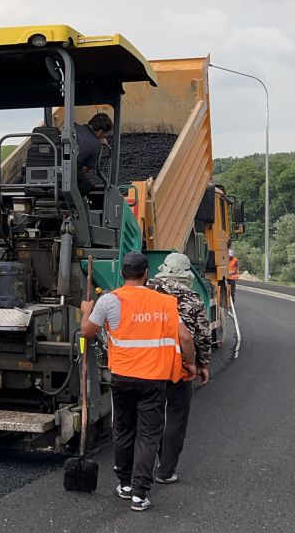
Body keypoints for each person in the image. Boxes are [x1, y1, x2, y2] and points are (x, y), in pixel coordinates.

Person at [80, 252, 195, 512]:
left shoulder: (110, 300)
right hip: (153, 380)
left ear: (123, 274)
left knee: (123, 430)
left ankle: (125, 484)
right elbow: (185, 338)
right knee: (148, 435)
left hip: (121, 378)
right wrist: (193, 364)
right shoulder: (164, 302)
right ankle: (140, 494)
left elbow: (86, 332)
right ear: (146, 274)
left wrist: (86, 311)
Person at [147, 252, 212, 484]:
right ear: (186, 274)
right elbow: (202, 336)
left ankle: (142, 468)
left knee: (149, 416)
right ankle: (165, 470)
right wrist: (201, 364)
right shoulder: (192, 299)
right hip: (181, 365)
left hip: (148, 364)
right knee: (176, 416)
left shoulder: (147, 292)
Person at [74, 112, 112, 195]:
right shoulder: (95, 145)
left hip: (50, 167)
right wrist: (99, 143)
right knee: (86, 186)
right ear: (100, 131)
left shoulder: (74, 126)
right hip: (69, 173)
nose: (104, 136)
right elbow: (84, 170)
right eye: (104, 134)